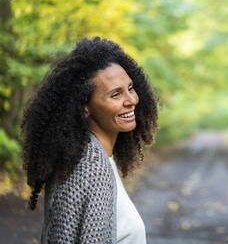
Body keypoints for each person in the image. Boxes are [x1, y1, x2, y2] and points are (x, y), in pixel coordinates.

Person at [21, 37, 158, 243]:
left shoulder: (83, 157)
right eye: (115, 94)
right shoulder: (92, 169)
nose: (131, 100)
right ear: (85, 106)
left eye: (130, 88)